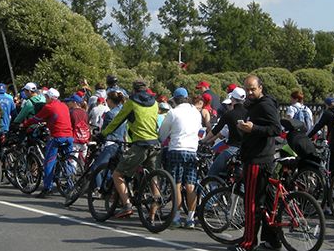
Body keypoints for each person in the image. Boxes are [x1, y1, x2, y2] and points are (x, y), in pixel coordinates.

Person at [233, 75, 282, 251]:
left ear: (261, 88)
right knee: (267, 202)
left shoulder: (265, 105)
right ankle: (272, 239)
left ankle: (249, 242)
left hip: (258, 159)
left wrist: (253, 129)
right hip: (262, 157)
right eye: (247, 89)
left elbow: (276, 129)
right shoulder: (255, 105)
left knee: (252, 202)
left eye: (253, 89)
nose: (250, 92)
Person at [99, 80, 160, 218]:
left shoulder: (131, 103)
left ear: (134, 90)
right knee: (153, 179)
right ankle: (152, 214)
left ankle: (126, 205)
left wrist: (103, 134)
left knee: (118, 174)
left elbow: (117, 120)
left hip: (140, 144)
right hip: (155, 143)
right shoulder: (155, 103)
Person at [159, 88, 203, 228]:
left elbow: (163, 133)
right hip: (192, 150)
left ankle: (176, 217)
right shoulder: (196, 112)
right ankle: (190, 218)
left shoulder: (173, 112)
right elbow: (199, 130)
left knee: (176, 183)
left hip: (177, 149)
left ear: (176, 99)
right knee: (190, 184)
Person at [24, 88, 73, 197]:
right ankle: (71, 184)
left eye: (46, 97)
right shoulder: (64, 106)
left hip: (57, 136)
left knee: (48, 162)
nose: (45, 99)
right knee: (68, 160)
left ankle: (47, 188)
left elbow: (36, 118)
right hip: (69, 136)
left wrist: (25, 124)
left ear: (50, 98)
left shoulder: (49, 107)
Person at [202, 87, 246, 179]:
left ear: (232, 99)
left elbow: (216, 130)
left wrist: (204, 140)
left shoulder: (229, 114)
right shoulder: (249, 113)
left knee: (211, 174)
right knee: (241, 179)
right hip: (246, 150)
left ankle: (215, 193)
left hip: (232, 149)